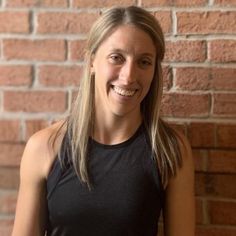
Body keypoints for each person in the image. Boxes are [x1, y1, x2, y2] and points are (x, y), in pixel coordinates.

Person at [12, 6, 195, 236]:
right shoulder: (44, 147)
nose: (128, 76)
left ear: (154, 70)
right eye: (116, 58)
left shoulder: (170, 150)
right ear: (91, 61)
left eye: (144, 62)